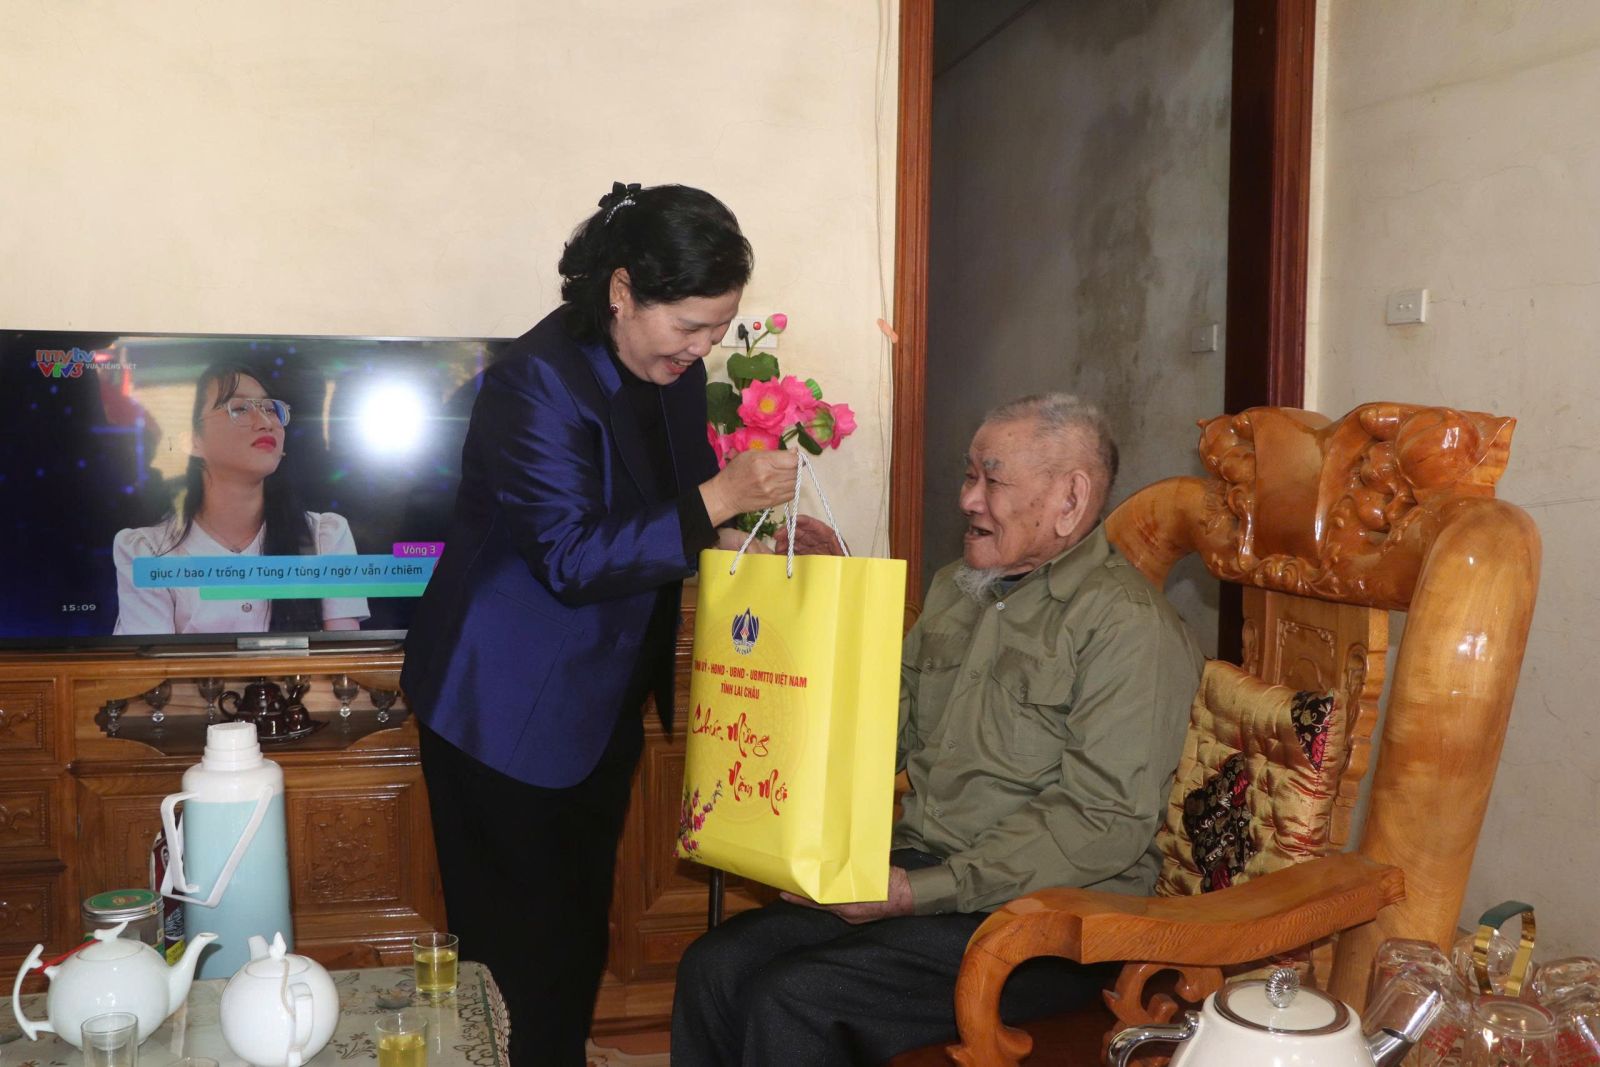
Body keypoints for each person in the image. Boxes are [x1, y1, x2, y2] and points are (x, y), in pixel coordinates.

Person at [671, 393, 1205, 1066]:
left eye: (991, 480)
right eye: (968, 475)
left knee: (794, 996)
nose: (967, 499)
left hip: (1053, 918)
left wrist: (914, 892)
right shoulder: (959, 589)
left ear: (1070, 499)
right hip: (930, 868)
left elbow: (1102, 821)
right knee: (714, 964)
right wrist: (831, 597)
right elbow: (879, 728)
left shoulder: (1128, 627)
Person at [401, 183, 799, 1067]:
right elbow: (571, 555)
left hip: (599, 694)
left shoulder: (673, 374)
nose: (701, 349)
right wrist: (720, 497)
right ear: (622, 290)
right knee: (514, 950)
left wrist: (750, 539)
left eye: (718, 329)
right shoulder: (535, 384)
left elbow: (671, 513)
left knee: (577, 929)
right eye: (688, 325)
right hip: (502, 704)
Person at [112, 361, 367, 635]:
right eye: (240, 409)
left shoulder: (324, 537)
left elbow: (343, 657)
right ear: (193, 441)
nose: (266, 422)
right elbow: (148, 661)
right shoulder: (148, 552)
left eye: (271, 409)